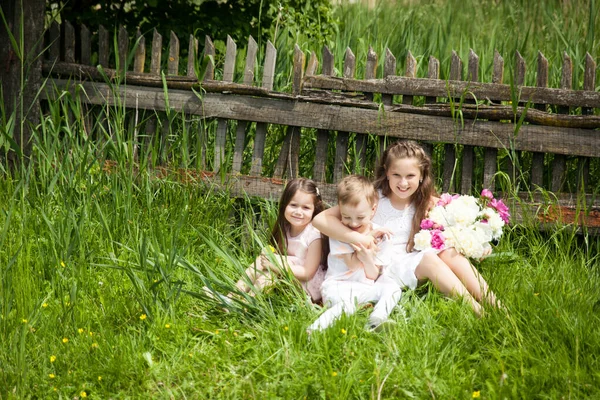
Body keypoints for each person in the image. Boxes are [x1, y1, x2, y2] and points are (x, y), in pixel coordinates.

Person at [312, 141, 499, 316]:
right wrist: (359, 238)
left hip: (410, 262)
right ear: (386, 173)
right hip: (383, 268)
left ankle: (497, 306)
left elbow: (465, 222)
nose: (403, 183)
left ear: (421, 176)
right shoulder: (372, 198)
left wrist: (480, 245)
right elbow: (320, 220)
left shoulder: (427, 202)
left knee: (447, 252)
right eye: (396, 175)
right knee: (429, 258)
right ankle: (478, 312)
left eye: (410, 176)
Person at [307, 175, 402, 332]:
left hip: (363, 288)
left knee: (393, 288)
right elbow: (352, 263)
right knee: (347, 306)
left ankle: (377, 318)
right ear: (340, 211)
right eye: (346, 217)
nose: (353, 223)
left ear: (373, 210)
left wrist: (368, 259)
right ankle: (315, 329)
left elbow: (372, 275)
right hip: (337, 288)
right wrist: (370, 238)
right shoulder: (341, 233)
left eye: (360, 217)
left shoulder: (381, 234)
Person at [234, 178, 326, 303]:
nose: (298, 212)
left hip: (307, 287)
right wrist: (269, 256)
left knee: (270, 275)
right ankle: (233, 295)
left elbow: (307, 273)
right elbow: (281, 255)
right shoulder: (286, 228)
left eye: (306, 208)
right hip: (287, 274)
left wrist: (276, 266)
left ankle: (245, 304)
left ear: (314, 209)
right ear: (284, 205)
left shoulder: (314, 235)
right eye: (293, 205)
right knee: (261, 264)